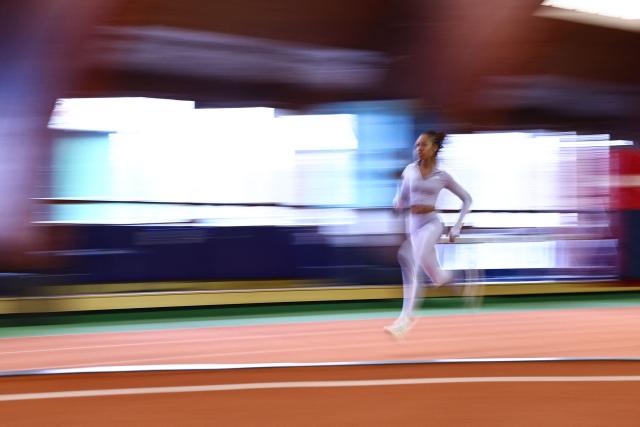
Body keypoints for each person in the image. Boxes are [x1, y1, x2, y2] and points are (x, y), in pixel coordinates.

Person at [384, 131, 472, 338]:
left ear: (434, 148)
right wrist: (397, 202)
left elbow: (467, 199)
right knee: (436, 277)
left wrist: (457, 226)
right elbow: (403, 198)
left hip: (432, 223)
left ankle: (404, 320)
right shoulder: (409, 171)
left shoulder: (443, 175)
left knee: (409, 257)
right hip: (413, 224)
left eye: (423, 145)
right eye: (417, 145)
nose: (419, 149)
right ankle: (459, 277)